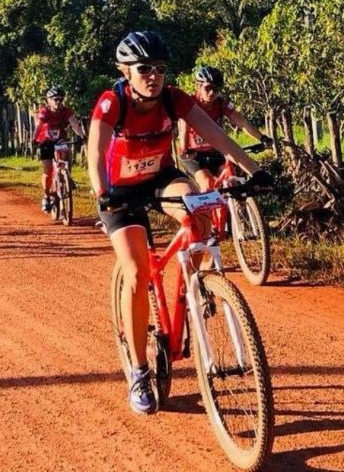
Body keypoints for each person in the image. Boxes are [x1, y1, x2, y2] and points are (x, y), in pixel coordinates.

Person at [87, 30, 272, 415]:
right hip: (119, 193)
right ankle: (138, 370)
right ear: (125, 70)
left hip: (159, 179)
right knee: (137, 271)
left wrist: (254, 170)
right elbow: (96, 148)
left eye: (160, 68)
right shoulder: (112, 103)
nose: (152, 76)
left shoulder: (174, 99)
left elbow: (217, 135)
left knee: (200, 213)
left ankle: (198, 286)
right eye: (143, 69)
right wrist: (101, 190)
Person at [178, 66, 272, 191]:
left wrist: (262, 137)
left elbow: (241, 122)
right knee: (208, 184)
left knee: (233, 181)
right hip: (194, 155)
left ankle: (239, 209)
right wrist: (185, 149)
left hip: (215, 151)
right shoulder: (190, 102)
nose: (212, 93)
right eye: (208, 88)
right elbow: (183, 128)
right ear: (198, 87)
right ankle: (207, 209)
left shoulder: (221, 104)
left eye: (216, 89)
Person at [33, 86, 86, 213]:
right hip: (45, 142)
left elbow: (74, 123)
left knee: (66, 152)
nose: (58, 102)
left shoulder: (66, 111)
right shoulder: (45, 112)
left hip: (60, 140)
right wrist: (34, 140)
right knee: (48, 171)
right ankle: (46, 196)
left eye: (60, 100)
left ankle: (67, 177)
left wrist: (82, 136)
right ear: (48, 100)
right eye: (55, 99)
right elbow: (39, 126)